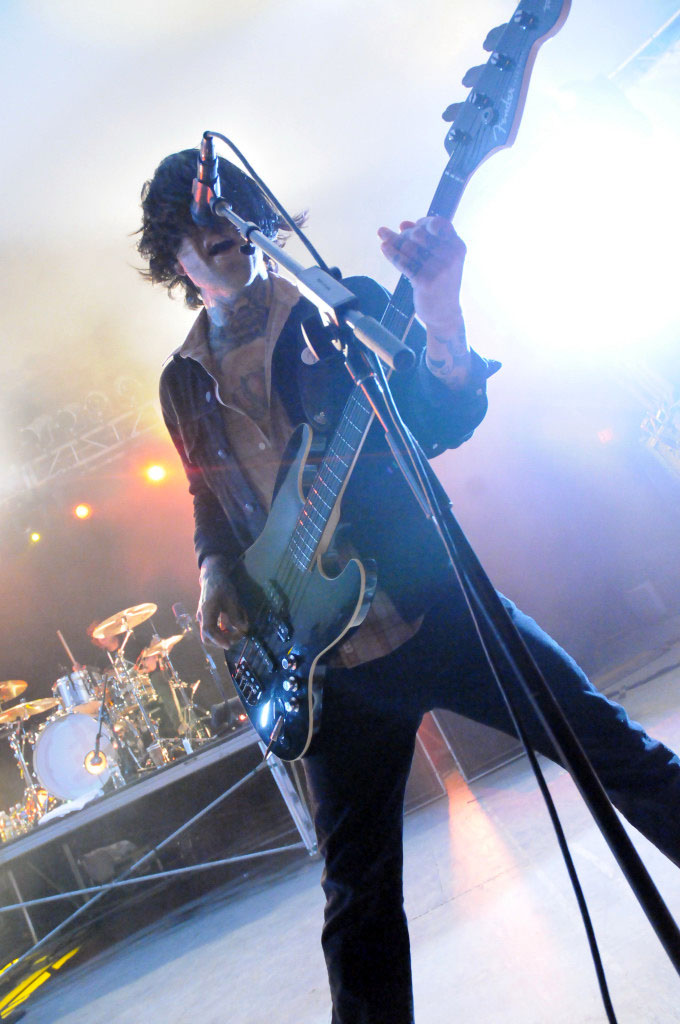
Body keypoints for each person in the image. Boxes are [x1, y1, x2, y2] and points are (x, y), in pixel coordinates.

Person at [138, 148, 680, 1024]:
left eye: (228, 216)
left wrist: (440, 310)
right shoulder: (181, 382)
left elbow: (440, 416)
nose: (215, 236)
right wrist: (213, 571)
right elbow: (209, 498)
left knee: (614, 753)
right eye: (192, 230)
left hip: (439, 609)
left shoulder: (334, 309)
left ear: (259, 224)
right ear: (173, 259)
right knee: (357, 902)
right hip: (327, 668)